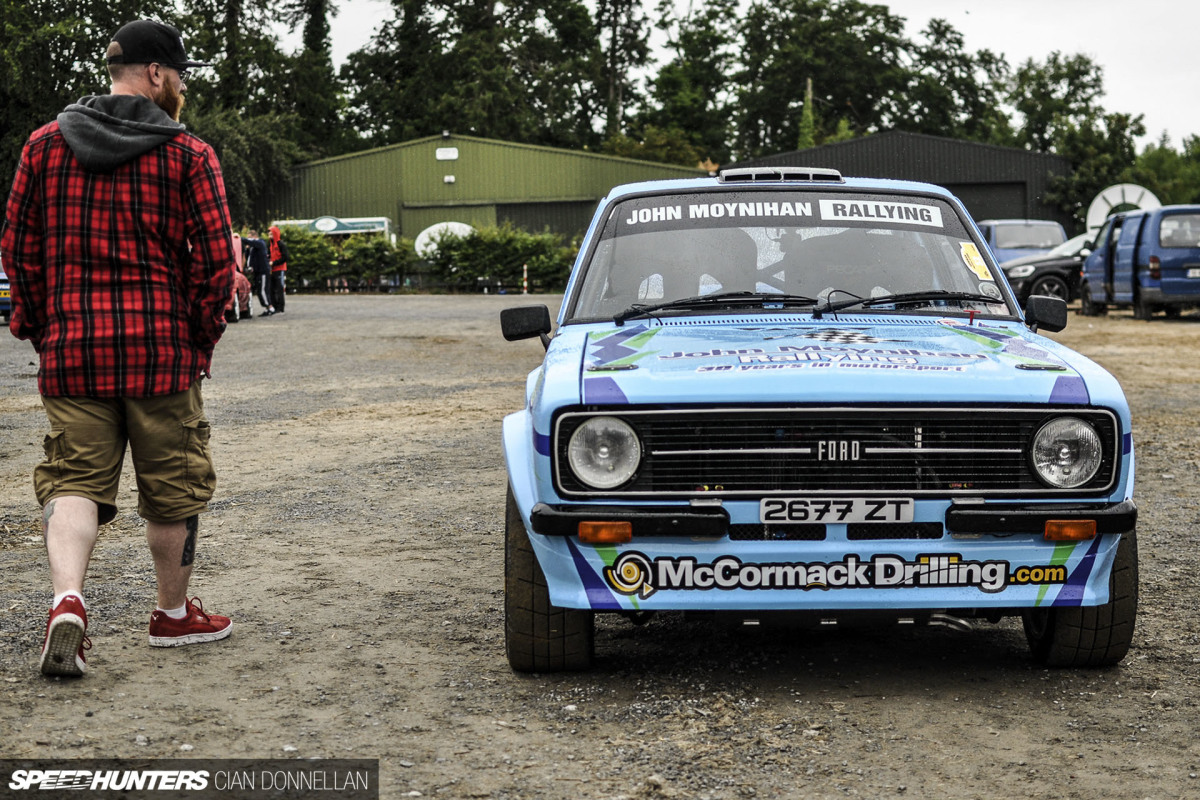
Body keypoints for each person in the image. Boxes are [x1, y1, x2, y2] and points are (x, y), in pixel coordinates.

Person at [0, 19, 235, 678]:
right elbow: (217, 266)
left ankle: (67, 599)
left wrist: (44, 328)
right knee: (173, 490)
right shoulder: (189, 155)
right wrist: (197, 336)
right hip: (162, 354)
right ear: (156, 74)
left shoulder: (43, 148)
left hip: (74, 353)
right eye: (180, 75)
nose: (181, 86)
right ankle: (172, 614)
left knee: (74, 481)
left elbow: (18, 252)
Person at [244, 229, 273, 315]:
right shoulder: (253, 247)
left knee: (263, 290)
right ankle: (267, 307)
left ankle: (270, 307)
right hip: (257, 271)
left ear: (254, 237)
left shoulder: (260, 243)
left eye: (250, 238)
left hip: (263, 271)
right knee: (260, 289)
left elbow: (246, 241)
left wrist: (238, 238)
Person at [268, 225, 289, 313]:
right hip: (272, 269)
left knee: (280, 288)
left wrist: (274, 263)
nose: (270, 236)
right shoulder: (270, 244)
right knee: (272, 288)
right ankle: (275, 306)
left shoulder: (281, 244)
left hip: (280, 269)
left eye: (271, 234)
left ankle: (280, 307)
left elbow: (285, 257)